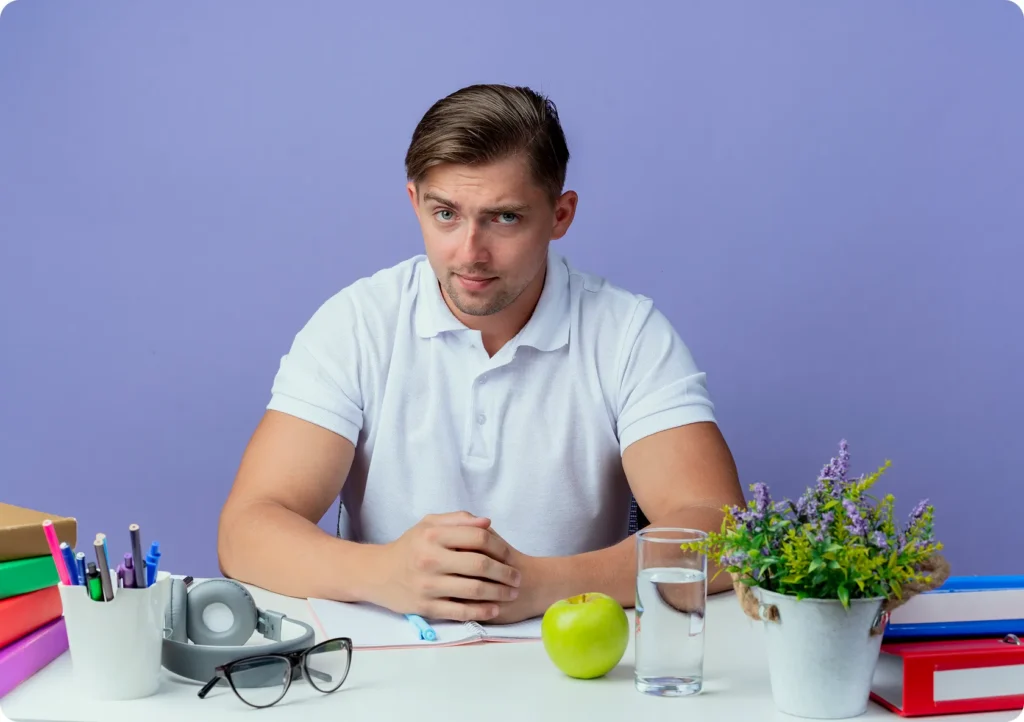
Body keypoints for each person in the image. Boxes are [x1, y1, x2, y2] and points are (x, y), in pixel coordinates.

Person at [216, 83, 746, 624]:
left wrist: (543, 584)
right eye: (446, 214)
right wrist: (384, 573)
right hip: (387, 670)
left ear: (561, 215)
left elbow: (724, 533)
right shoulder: (356, 324)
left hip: (573, 668)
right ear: (414, 203)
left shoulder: (628, 334)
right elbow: (246, 530)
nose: (470, 253)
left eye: (505, 218)